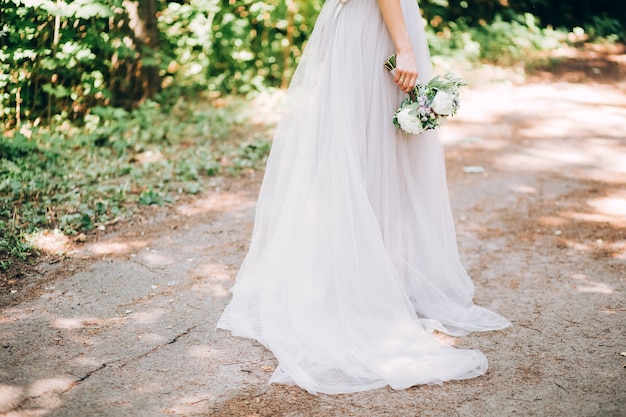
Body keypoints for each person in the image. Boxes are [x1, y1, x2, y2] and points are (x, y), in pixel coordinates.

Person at [217, 0, 511, 395]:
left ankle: (365, 271)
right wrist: (403, 46)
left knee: (362, 149)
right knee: (372, 148)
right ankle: (360, 282)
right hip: (377, 27)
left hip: (359, 25)